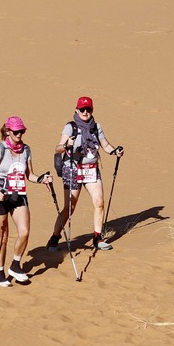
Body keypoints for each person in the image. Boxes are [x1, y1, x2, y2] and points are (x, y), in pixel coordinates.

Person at [47, 96, 124, 252]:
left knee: (99, 202)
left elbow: (105, 145)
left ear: (92, 110)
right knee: (69, 208)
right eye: (82, 109)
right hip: (72, 169)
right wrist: (67, 144)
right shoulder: (70, 127)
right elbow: (57, 148)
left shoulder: (96, 127)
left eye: (88, 109)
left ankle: (97, 238)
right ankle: (55, 237)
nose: (85, 112)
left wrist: (115, 151)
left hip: (91, 170)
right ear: (76, 110)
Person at [0, 116, 52, 287]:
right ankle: (0, 273)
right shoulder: (0, 149)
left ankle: (15, 265)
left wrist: (42, 179)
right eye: (16, 131)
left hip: (18, 194)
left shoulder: (26, 150)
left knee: (24, 232)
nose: (19, 134)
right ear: (8, 131)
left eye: (22, 131)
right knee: (3, 237)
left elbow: (30, 175)